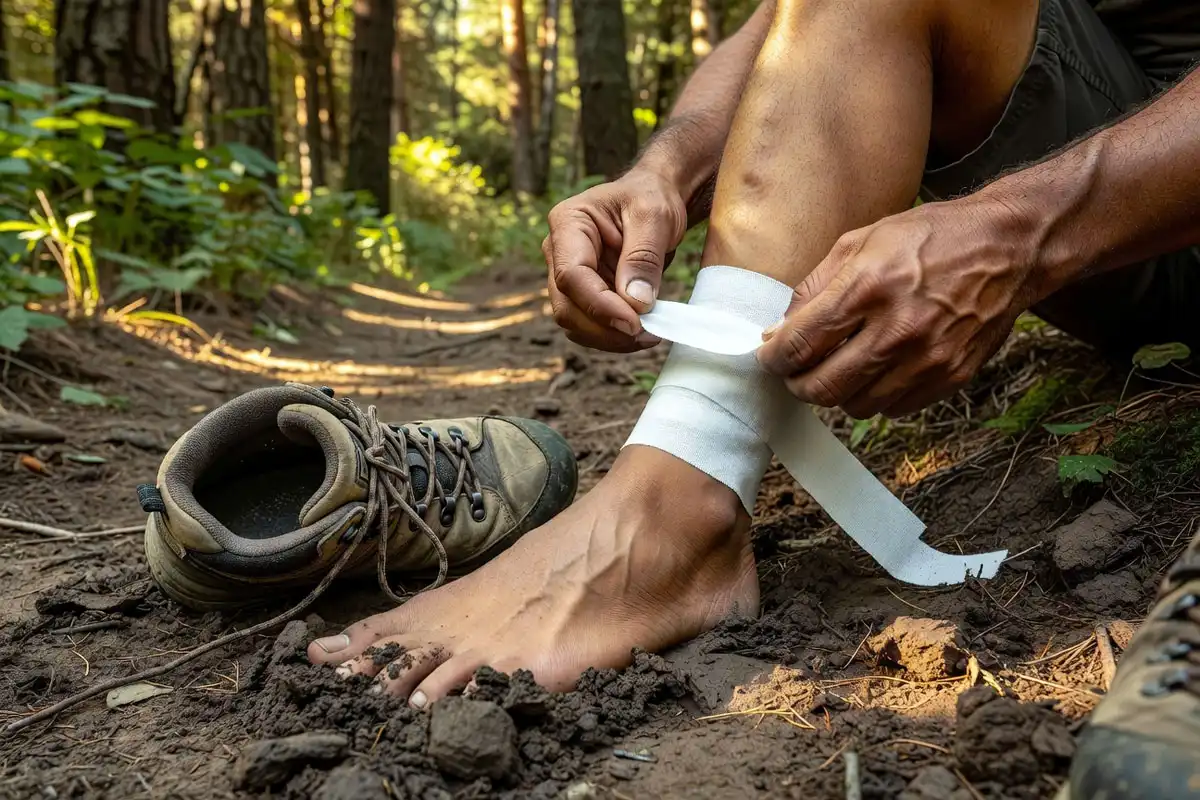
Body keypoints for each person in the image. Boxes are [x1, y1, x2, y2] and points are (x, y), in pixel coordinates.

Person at [306, 1, 1200, 793]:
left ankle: (660, 527)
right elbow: (798, 19)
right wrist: (669, 170)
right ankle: (678, 505)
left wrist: (1021, 227)